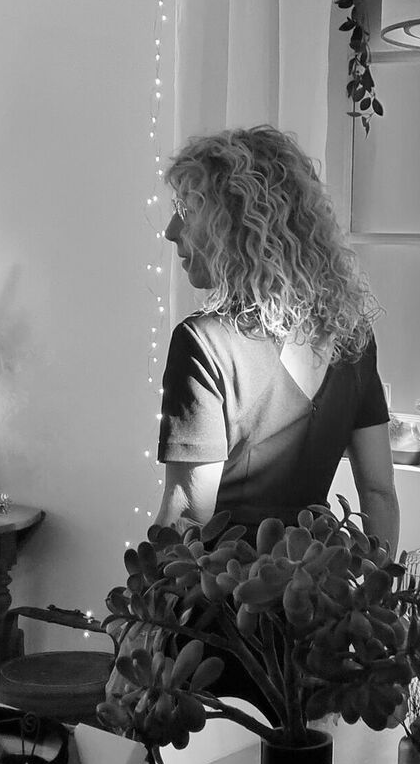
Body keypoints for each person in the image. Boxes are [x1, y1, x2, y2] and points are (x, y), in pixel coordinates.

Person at [153, 125, 399, 554]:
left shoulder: (203, 343)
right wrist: (369, 605)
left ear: (233, 222)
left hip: (223, 612)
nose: (172, 230)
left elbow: (189, 519)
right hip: (318, 604)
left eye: (187, 209)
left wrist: (142, 615)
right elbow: (378, 493)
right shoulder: (352, 337)